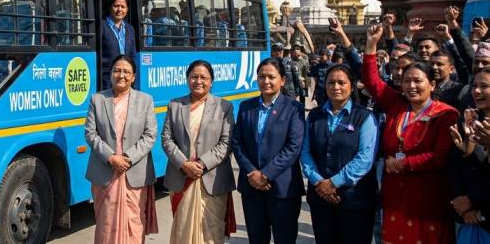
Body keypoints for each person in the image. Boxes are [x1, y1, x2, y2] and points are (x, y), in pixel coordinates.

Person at [361, 24, 458, 244]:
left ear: (432, 85)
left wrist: (404, 164)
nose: (411, 86)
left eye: (417, 81)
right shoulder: (396, 104)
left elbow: (440, 156)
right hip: (395, 197)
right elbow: (372, 82)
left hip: (429, 200)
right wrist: (371, 44)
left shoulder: (445, 114)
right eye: (406, 81)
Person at [299, 64, 379, 243]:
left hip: (355, 200)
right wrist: (319, 182)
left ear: (352, 85)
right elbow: (305, 152)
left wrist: (334, 183)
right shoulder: (314, 116)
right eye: (331, 83)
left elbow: (365, 158)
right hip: (320, 198)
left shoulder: (365, 117)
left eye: (341, 83)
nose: (336, 87)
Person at [231, 57, 305, 244]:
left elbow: (293, 146)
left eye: (271, 77)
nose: (266, 81)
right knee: (256, 238)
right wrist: (252, 173)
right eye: (261, 77)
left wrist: (266, 174)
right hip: (251, 187)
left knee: (285, 238)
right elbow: (238, 142)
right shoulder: (246, 107)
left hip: (282, 188)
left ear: (283, 80)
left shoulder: (294, 108)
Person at [84, 55, 157, 242]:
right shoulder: (97, 99)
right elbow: (90, 134)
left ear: (133, 77)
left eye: (126, 71)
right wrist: (111, 157)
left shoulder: (145, 100)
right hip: (104, 171)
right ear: (111, 74)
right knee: (106, 222)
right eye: (117, 70)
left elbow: (150, 136)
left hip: (134, 172)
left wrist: (127, 158)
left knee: (134, 222)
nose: (121, 75)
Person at [161, 60, 236, 243]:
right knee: (183, 231)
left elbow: (226, 142)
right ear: (187, 79)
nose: (198, 81)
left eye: (204, 77)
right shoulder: (175, 105)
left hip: (213, 179)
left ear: (211, 81)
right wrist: (184, 164)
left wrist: (201, 164)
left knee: (211, 233)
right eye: (194, 77)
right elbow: (166, 139)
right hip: (181, 177)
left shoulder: (224, 107)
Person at [448, 68, 490, 241]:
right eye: (474, 85)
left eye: (484, 86)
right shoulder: (468, 121)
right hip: (468, 219)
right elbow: (455, 166)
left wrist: (472, 200)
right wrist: (463, 205)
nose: (477, 91)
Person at [100, 0, 137, 91]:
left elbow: (132, 55)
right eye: (116, 6)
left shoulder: (130, 29)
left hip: (126, 79)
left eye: (123, 7)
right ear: (110, 7)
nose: (119, 9)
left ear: (127, 9)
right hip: (107, 79)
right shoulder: (101, 26)